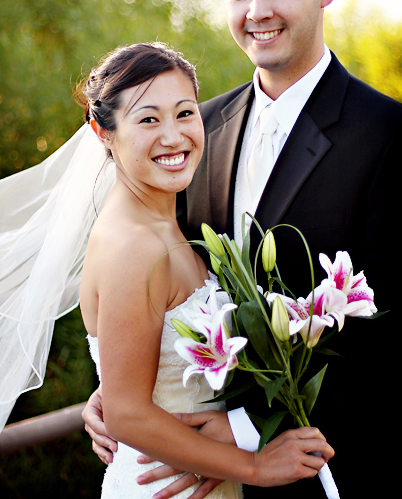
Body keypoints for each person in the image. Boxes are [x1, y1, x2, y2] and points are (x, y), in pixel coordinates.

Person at [83, 0, 402, 498]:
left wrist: (242, 429)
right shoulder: (195, 132)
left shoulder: (388, 136)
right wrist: (116, 394)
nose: (258, 10)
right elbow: (154, 294)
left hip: (325, 473)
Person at [76, 41, 333, 499]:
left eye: (185, 113)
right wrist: (255, 466)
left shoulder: (167, 219)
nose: (173, 137)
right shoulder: (131, 245)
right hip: (162, 487)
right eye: (148, 119)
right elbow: (127, 415)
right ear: (103, 132)